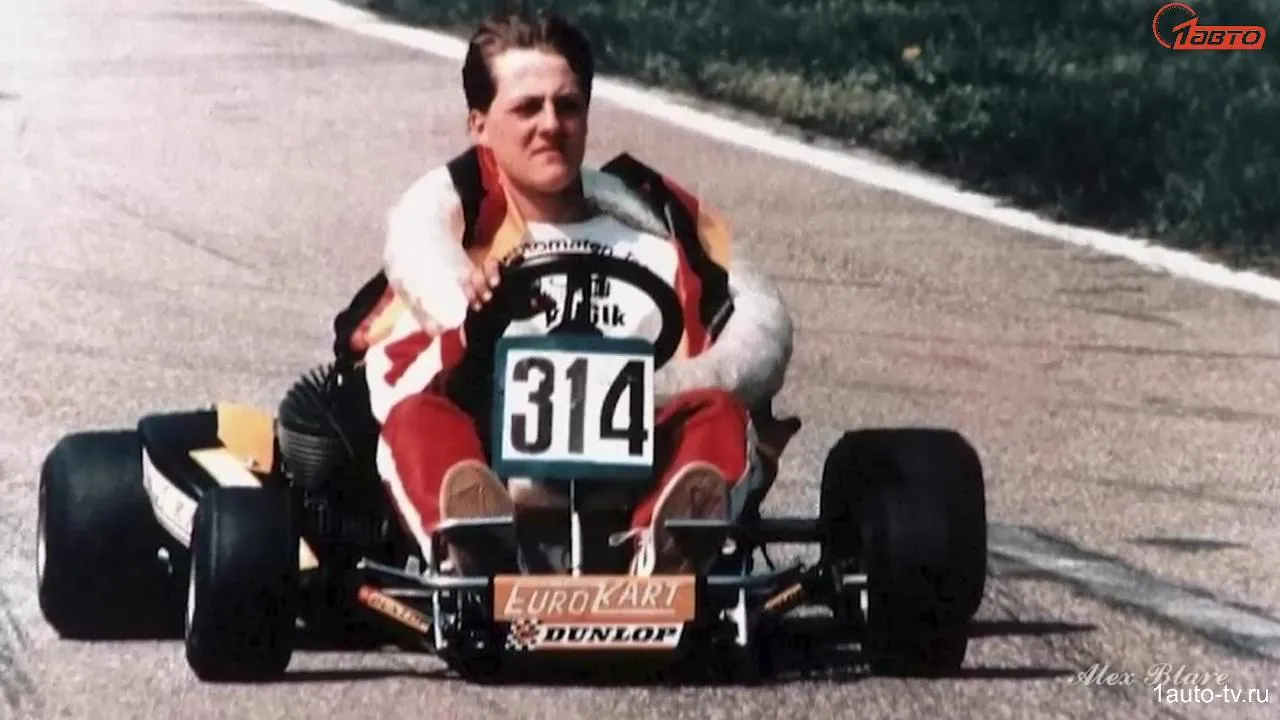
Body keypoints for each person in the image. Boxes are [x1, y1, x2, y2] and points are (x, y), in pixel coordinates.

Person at [357, 8, 797, 577]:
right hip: (496, 463)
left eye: (566, 106)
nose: (551, 125)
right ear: (480, 125)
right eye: (527, 108)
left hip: (639, 472)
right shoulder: (461, 252)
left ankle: (670, 546)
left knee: (719, 413)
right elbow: (392, 384)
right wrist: (477, 327)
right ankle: (474, 543)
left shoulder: (660, 244)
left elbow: (724, 343)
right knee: (418, 417)